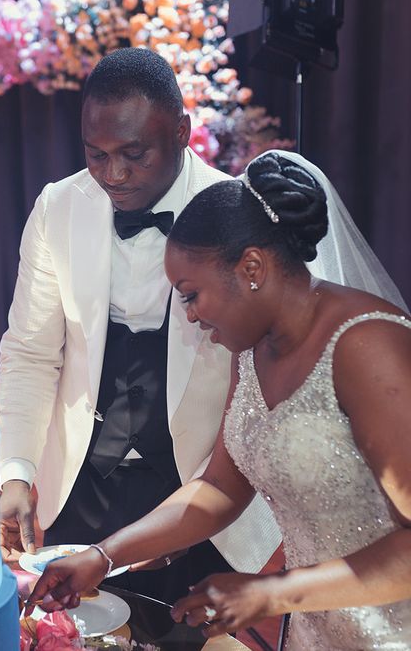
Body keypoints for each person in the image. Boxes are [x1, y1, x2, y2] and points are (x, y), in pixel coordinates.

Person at [26, 151, 411, 650]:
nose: (187, 316)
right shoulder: (250, 350)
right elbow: (220, 491)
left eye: (190, 294)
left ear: (251, 267)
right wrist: (103, 555)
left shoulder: (366, 347)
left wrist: (273, 592)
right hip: (319, 624)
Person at [0, 46, 281, 605]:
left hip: (197, 487)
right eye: (96, 155)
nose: (114, 174)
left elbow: (262, 383)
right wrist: (16, 470)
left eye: (133, 153)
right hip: (80, 480)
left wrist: (198, 510)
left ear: (182, 131)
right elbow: (31, 352)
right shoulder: (59, 207)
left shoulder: (236, 214)